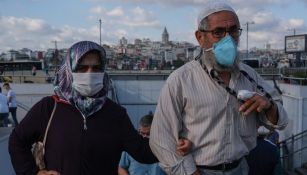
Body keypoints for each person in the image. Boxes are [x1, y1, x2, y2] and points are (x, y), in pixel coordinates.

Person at [8, 41, 190, 175]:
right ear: (69, 70)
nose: (90, 74)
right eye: (82, 68)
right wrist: (34, 173)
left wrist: (176, 145)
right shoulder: (50, 107)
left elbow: (142, 151)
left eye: (96, 68)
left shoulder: (115, 114)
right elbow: (17, 140)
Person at [149, 1, 288, 175]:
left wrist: (268, 106)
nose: (228, 39)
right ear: (201, 37)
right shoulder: (180, 81)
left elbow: (281, 121)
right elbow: (161, 140)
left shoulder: (250, 76)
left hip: (240, 169)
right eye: (218, 32)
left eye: (233, 31)